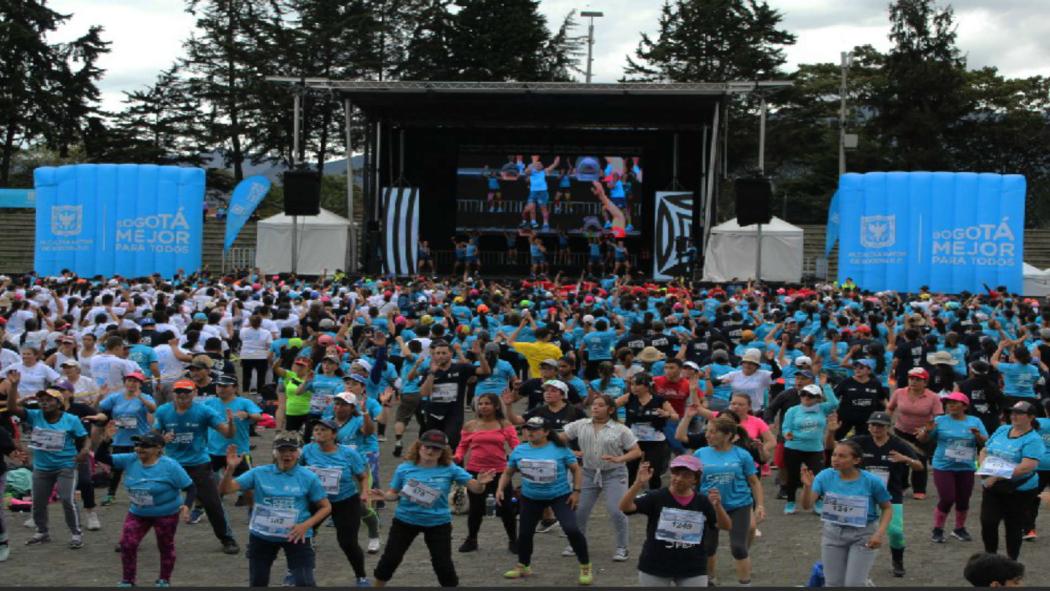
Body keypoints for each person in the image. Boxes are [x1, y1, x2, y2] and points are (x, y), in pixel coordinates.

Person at [370, 430, 494, 587]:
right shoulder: (404, 468)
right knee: (390, 559)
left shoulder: (450, 468)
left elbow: (475, 489)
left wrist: (481, 483)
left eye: (436, 448)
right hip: (405, 520)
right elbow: (394, 494)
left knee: (443, 565)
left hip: (438, 523)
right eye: (426, 447)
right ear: (419, 446)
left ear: (443, 451)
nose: (430, 451)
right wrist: (385, 497)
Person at [220, 431, 331, 587]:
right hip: (262, 536)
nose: (287, 455)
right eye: (282, 450)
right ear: (274, 452)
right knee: (258, 582)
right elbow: (225, 490)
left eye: (291, 450)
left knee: (305, 582)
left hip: (296, 535)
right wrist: (230, 469)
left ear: (299, 453)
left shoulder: (308, 477)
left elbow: (326, 507)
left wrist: (305, 526)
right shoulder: (258, 473)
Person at [499, 416, 592, 585]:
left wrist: (576, 491)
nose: (530, 432)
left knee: (571, 529)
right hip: (531, 497)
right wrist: (500, 489)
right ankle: (523, 565)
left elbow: (576, 470)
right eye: (528, 429)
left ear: (546, 432)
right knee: (525, 533)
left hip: (559, 496)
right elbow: (508, 472)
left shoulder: (560, 449)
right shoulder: (520, 450)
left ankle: (585, 565)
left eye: (535, 429)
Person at [152, 378, 240, 555]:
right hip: (171, 465)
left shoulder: (204, 411)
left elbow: (228, 434)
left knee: (213, 503)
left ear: (194, 393)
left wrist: (231, 423)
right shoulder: (163, 411)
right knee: (149, 500)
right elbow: (153, 435)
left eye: (186, 392)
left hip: (198, 464)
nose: (182, 395)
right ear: (173, 394)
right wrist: (161, 440)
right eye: (178, 392)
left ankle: (227, 539)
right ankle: (132, 537)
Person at [619, 456, 731, 587]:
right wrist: (637, 483)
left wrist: (718, 506)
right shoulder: (656, 497)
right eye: (675, 473)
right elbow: (625, 507)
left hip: (693, 567)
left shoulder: (702, 501)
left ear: (695, 479)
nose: (678, 478)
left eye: (685, 475)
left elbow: (726, 525)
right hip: (655, 565)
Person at [836, 410, 923, 578]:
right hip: (863, 495)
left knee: (896, 532)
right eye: (873, 425)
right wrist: (832, 431)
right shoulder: (860, 442)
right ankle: (854, 563)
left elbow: (919, 466)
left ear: (888, 427)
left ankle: (898, 561)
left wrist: (905, 459)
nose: (876, 428)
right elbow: (836, 448)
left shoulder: (898, 444)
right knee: (856, 531)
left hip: (891, 495)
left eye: (880, 426)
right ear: (868, 426)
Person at [799, 440, 893, 587]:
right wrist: (807, 487)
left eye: (842, 456)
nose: (836, 459)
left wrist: (879, 534)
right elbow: (806, 505)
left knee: (854, 583)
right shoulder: (825, 476)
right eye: (834, 455)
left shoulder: (871, 481)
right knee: (833, 583)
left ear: (856, 460)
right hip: (833, 533)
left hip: (863, 535)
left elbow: (887, 508)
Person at [561, 394, 642, 562]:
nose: (595, 408)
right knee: (579, 510)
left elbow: (636, 451)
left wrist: (620, 459)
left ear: (610, 409)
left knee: (617, 510)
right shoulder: (581, 425)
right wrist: (570, 452)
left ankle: (622, 547)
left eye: (600, 405)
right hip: (588, 472)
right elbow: (557, 438)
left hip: (615, 473)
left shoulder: (621, 429)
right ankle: (576, 544)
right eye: (593, 405)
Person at [6, 387, 88, 549]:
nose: (44, 404)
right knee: (38, 501)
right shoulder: (35, 416)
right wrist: (14, 387)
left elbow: (85, 439)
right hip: (42, 467)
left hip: (66, 465)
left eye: (49, 400)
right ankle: (42, 532)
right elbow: (11, 409)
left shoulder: (71, 419)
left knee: (67, 499)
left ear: (59, 403)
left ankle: (76, 533)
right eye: (41, 401)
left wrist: (84, 451)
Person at [112, 431, 195, 588]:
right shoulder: (131, 460)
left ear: (158, 448)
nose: (139, 449)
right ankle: (128, 580)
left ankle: (164, 579)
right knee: (127, 544)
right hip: (138, 512)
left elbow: (190, 488)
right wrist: (105, 440)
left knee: (165, 545)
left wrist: (186, 506)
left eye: (145, 445)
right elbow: (103, 458)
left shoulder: (170, 466)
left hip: (166, 513)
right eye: (138, 445)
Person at [694, 416, 765, 586]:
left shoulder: (742, 454)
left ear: (727, 435)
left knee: (739, 548)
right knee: (709, 547)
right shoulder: (700, 453)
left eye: (712, 432)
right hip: (709, 507)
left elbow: (754, 481)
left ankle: (745, 583)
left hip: (738, 505)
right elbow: (694, 482)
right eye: (707, 431)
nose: (707, 435)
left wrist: (760, 505)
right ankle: (710, 579)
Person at [301, 419, 370, 585]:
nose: (318, 432)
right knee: (301, 536)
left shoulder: (348, 454)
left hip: (345, 501)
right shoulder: (307, 450)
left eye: (323, 430)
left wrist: (365, 492)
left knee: (347, 542)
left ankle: (361, 577)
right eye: (316, 429)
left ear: (334, 434)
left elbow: (362, 476)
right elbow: (298, 470)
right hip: (316, 501)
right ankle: (296, 572)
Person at [453, 392, 519, 554]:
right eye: (480, 403)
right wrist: (457, 457)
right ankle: (471, 539)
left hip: (500, 472)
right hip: (476, 471)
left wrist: (519, 460)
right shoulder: (471, 425)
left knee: (506, 508)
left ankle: (513, 540)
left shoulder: (505, 425)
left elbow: (515, 445)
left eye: (487, 403)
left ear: (496, 406)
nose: (483, 406)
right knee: (475, 508)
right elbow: (462, 446)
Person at [978, 401, 1045, 560]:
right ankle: (991, 558)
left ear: (1031, 417)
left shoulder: (1033, 439)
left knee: (1013, 526)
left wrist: (996, 475)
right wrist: (984, 467)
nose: (1013, 416)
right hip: (993, 486)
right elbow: (985, 449)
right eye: (1012, 412)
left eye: (1019, 413)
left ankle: (1011, 562)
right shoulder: (1002, 429)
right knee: (988, 522)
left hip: (1019, 489)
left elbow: (1026, 467)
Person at [917, 391, 987, 543]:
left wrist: (977, 435)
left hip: (966, 466)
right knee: (947, 498)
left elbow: (985, 443)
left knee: (963, 500)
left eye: (955, 403)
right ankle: (938, 528)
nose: (951, 405)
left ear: (965, 406)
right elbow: (923, 440)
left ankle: (959, 529)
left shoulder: (975, 421)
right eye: (948, 403)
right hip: (943, 465)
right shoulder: (940, 420)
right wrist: (927, 431)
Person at [93, 372, 157, 506]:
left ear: (140, 384)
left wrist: (141, 398)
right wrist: (100, 395)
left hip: (139, 439)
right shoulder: (116, 397)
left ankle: (144, 495)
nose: (132, 384)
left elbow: (153, 409)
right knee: (116, 469)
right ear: (125, 382)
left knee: (141, 468)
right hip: (120, 439)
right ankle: (111, 495)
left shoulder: (145, 397)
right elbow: (101, 408)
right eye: (129, 381)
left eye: (135, 381)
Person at [782, 383, 840, 514]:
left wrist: (826, 386)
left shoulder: (822, 409)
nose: (806, 397)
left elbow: (834, 403)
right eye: (804, 394)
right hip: (794, 447)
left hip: (815, 448)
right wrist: (787, 433)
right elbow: (786, 427)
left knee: (817, 476)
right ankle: (790, 502)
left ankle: (818, 500)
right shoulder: (793, 410)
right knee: (792, 476)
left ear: (818, 398)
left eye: (811, 395)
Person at [886, 367, 942, 499]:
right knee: (899, 459)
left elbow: (938, 417)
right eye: (911, 378)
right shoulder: (899, 392)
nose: (913, 382)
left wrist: (926, 430)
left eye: (918, 379)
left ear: (925, 382)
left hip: (923, 434)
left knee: (919, 460)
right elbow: (890, 408)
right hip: (901, 431)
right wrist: (886, 424)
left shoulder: (933, 397)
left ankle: (919, 489)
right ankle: (901, 485)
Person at [616, 373, 677, 491]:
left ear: (647, 386)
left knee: (653, 471)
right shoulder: (629, 397)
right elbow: (611, 406)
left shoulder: (659, 400)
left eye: (637, 384)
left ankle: (654, 496)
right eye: (632, 384)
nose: (633, 387)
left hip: (654, 441)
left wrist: (666, 414)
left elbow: (675, 416)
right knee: (629, 470)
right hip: (633, 441)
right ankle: (627, 498)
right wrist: (618, 423)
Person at [833, 359, 887, 439]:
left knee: (864, 443)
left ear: (869, 370)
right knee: (836, 438)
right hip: (846, 419)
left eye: (861, 367)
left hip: (866, 421)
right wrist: (833, 412)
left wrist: (887, 413)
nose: (857, 369)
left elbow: (882, 400)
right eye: (855, 367)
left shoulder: (875, 384)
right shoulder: (846, 382)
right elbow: (834, 397)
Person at [519, 156, 559, 231]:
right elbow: (526, 171)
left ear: (542, 166)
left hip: (542, 192)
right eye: (537, 164)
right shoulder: (531, 171)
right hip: (533, 192)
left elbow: (554, 165)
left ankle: (545, 224)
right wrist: (534, 163)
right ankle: (531, 222)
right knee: (530, 208)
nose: (539, 165)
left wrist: (556, 161)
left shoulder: (544, 171)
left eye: (540, 164)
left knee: (543, 208)